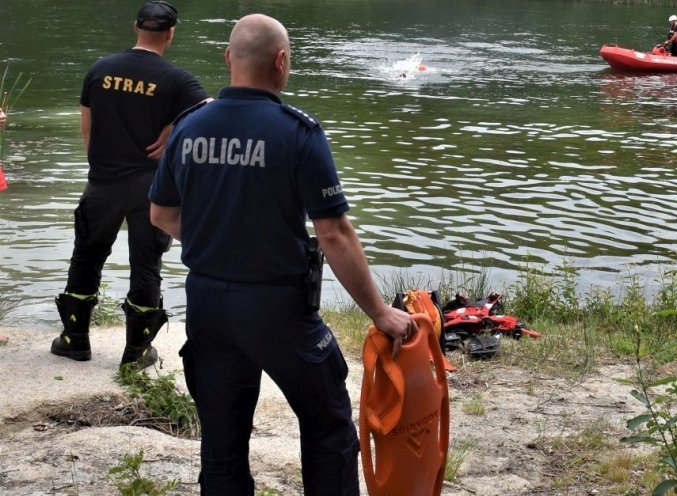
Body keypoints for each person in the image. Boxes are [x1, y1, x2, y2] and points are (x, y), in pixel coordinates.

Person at [149, 14, 416, 495]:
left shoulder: (188, 128)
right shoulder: (297, 132)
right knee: (329, 428)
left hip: (207, 305)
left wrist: (219, 240)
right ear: (282, 61)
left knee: (222, 444)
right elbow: (333, 232)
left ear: (229, 59)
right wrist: (379, 312)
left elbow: (161, 215)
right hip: (278, 310)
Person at [51, 1, 209, 368]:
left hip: (102, 182)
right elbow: (212, 111)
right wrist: (173, 129)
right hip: (150, 188)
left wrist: (102, 167)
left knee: (87, 256)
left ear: (134, 27)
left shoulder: (100, 70)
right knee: (146, 263)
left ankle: (75, 340)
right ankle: (136, 353)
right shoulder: (177, 80)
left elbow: (87, 132)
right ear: (170, 33)